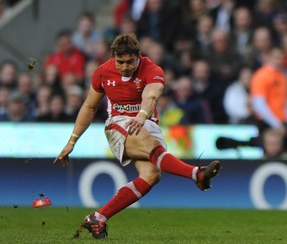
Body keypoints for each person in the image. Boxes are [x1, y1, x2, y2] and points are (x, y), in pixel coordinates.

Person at [53, 33, 221, 239]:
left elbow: (152, 94)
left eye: (129, 61)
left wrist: (142, 115)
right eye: (120, 62)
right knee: (149, 144)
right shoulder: (102, 72)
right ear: (113, 57)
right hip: (118, 125)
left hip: (146, 123)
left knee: (152, 176)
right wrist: (72, 141)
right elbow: (89, 106)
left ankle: (98, 217)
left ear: (138, 56)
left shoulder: (152, 70)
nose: (125, 66)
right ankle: (197, 174)